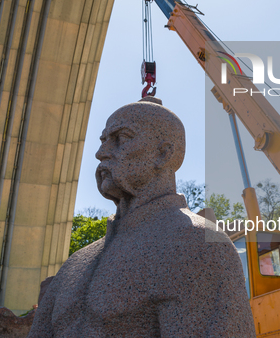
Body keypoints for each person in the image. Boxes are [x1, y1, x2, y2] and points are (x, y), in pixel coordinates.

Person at [28, 97, 255, 337]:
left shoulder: (197, 245)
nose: (101, 153)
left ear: (164, 154)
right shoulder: (74, 265)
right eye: (103, 140)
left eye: (122, 138)